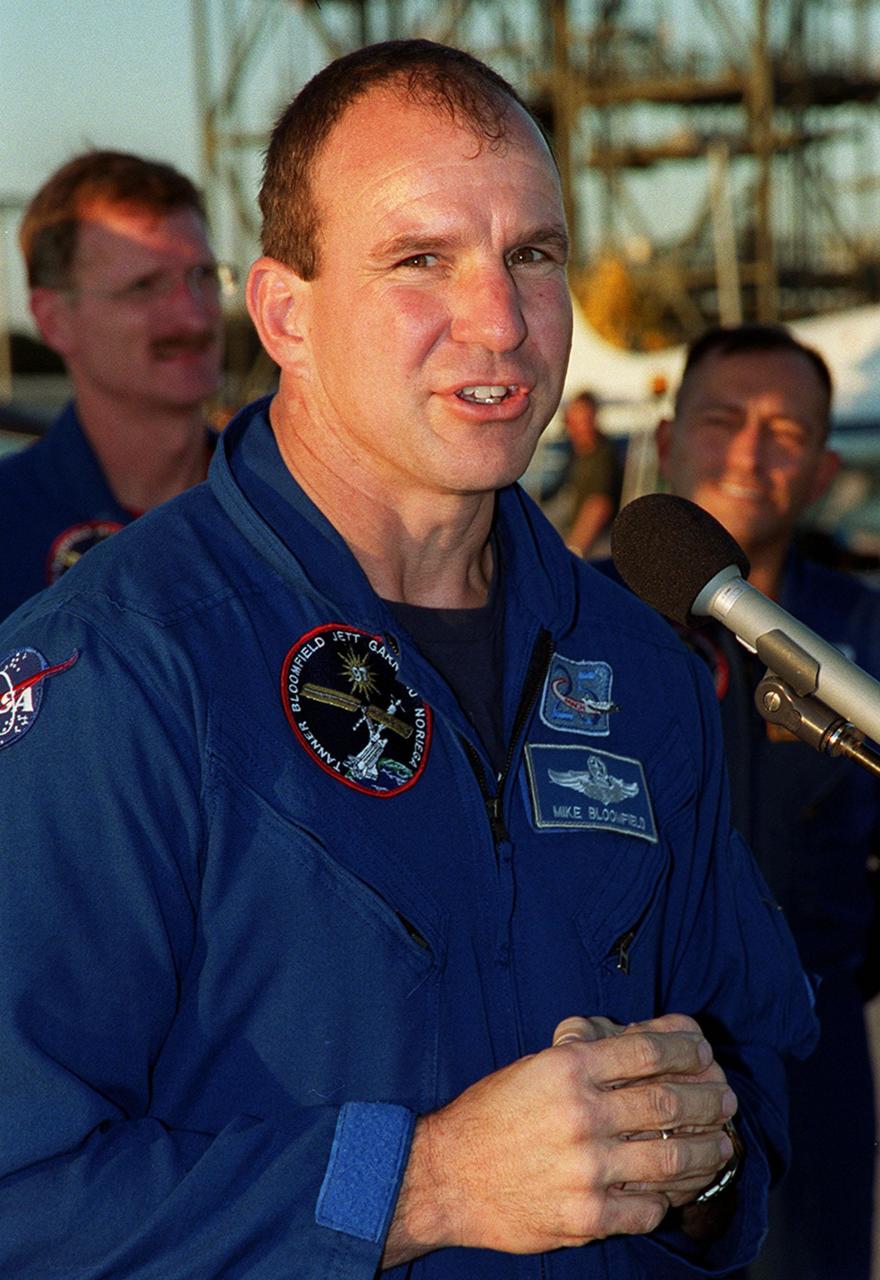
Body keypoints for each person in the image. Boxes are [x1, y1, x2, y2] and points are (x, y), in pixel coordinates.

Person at [0, 44, 817, 1278]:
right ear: (284, 314)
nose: (498, 321)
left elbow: (750, 1081)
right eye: (419, 259)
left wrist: (698, 1165)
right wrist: (420, 1185)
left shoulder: (636, 665)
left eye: (531, 255)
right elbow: (24, 1196)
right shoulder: (115, 672)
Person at [648, 323, 880, 1280]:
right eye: (723, 419)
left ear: (821, 470)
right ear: (665, 441)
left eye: (784, 432)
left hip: (808, 1059)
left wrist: (802, 983)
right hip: (622, 1056)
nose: (748, 452)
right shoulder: (576, 621)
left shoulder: (876, 639)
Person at [0, 149, 225, 618]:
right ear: (53, 319)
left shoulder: (288, 510)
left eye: (201, 276)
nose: (193, 313)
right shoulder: (10, 525)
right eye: (145, 285)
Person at [546, 389, 623, 557]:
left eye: (583, 420)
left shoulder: (601, 455)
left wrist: (574, 552)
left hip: (595, 546)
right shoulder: (576, 455)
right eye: (574, 420)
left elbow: (598, 506)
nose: (577, 427)